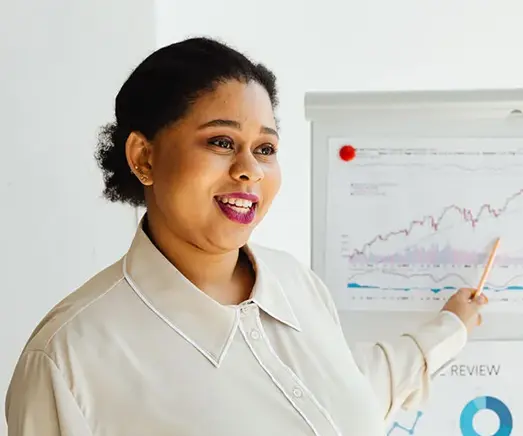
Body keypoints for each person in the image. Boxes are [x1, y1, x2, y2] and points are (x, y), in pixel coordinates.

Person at [4, 37, 488, 435]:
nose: (249, 170)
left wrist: (451, 328)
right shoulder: (68, 358)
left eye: (265, 148)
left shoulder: (297, 285)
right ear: (144, 158)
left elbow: (356, 396)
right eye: (221, 142)